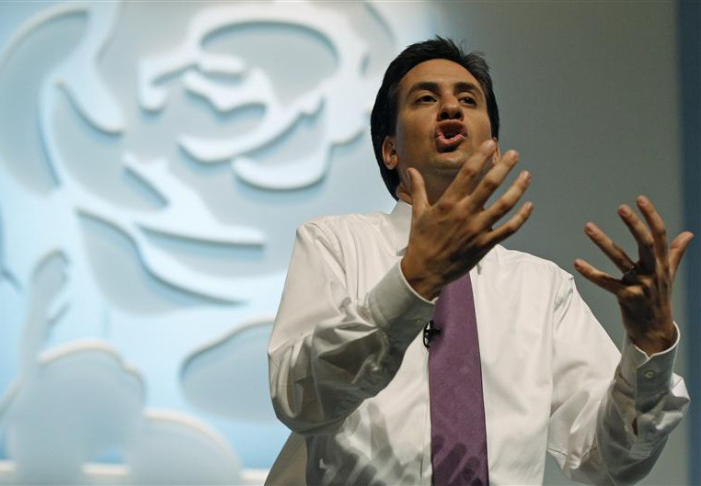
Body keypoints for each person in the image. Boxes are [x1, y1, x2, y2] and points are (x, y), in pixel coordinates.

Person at [266, 37, 692, 485]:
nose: (451, 107)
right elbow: (301, 400)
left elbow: (608, 464)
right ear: (390, 150)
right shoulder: (335, 244)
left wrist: (650, 346)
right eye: (426, 98)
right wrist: (412, 284)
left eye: (468, 99)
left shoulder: (542, 289)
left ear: (492, 146)